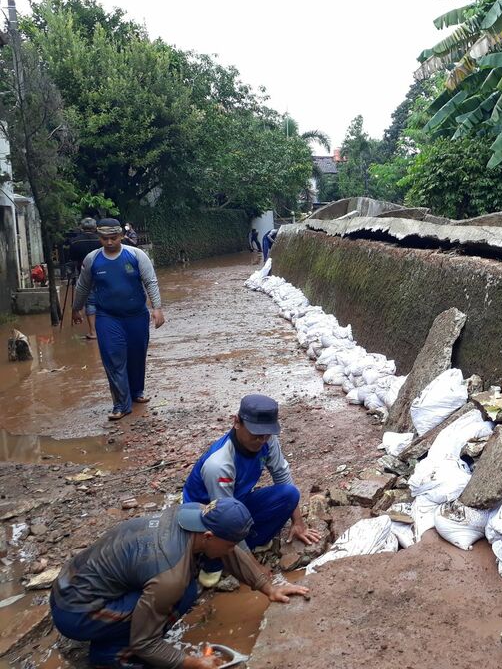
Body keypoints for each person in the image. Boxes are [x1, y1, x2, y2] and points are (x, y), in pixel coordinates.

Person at [50, 497, 309, 669]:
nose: (231, 549)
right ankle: (111, 655)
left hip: (72, 581)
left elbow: (231, 548)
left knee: (183, 590)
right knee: (176, 595)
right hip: (75, 609)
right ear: (208, 536)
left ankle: (114, 633)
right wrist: (187, 662)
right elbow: (145, 642)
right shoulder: (170, 574)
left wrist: (268, 587)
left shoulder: (195, 513)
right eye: (228, 544)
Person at [182, 394, 323, 587]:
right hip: (207, 514)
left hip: (236, 501)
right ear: (237, 422)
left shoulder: (267, 441)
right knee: (223, 536)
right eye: (256, 435)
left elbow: (282, 476)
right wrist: (255, 570)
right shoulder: (220, 463)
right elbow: (224, 518)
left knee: (289, 495)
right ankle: (213, 559)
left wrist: (298, 522)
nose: (261, 441)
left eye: (266, 435)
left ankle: (241, 548)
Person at [71, 218, 165, 420]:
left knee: (137, 356)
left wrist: (157, 308)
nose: (109, 242)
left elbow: (150, 281)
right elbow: (83, 286)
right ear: (99, 238)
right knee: (113, 359)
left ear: (121, 236)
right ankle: (121, 404)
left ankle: (136, 392)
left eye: (113, 238)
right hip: (108, 317)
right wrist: (76, 308)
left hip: (137, 316)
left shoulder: (136, 255)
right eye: (104, 238)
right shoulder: (92, 259)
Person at [68, 217, 102, 340]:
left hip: (83, 275)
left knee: (90, 301)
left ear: (81, 228)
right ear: (95, 228)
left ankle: (93, 331)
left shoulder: (75, 242)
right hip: (102, 273)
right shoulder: (101, 240)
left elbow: (72, 260)